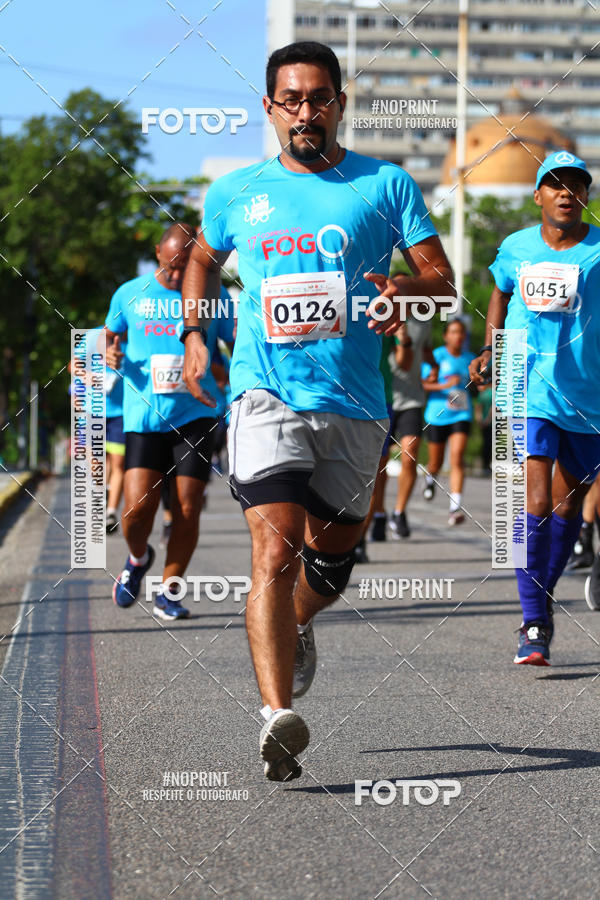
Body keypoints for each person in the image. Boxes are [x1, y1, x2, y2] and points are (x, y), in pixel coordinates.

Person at [180, 41, 454, 781]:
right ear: (269, 108)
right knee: (273, 551)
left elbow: (442, 278)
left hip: (357, 404)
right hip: (264, 393)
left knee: (331, 562)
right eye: (292, 99)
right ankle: (277, 717)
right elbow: (203, 258)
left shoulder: (386, 184)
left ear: (340, 102)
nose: (307, 111)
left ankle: (297, 624)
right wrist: (196, 332)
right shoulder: (237, 191)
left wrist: (406, 291)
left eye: (320, 98)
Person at [470, 150, 600, 664]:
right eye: (556, 185)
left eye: (577, 186)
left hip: (588, 395)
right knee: (537, 501)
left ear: (585, 196)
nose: (567, 193)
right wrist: (490, 347)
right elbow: (499, 294)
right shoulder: (515, 246)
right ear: (539, 196)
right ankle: (531, 622)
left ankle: (539, 608)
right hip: (524, 386)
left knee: (568, 507)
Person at [106, 222, 235, 620]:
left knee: (186, 507)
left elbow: (236, 346)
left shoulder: (215, 297)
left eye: (187, 266)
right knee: (136, 508)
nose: (179, 275)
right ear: (158, 250)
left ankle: (169, 591)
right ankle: (138, 557)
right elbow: (109, 336)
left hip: (197, 416)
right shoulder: (130, 294)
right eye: (173, 266)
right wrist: (110, 353)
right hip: (144, 417)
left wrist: (223, 370)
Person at [387, 317, 438, 538]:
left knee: (409, 456)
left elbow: (425, 350)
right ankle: (377, 513)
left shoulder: (422, 322)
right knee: (376, 466)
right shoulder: (371, 314)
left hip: (412, 399)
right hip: (381, 398)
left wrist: (433, 365)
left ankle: (399, 512)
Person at [422, 319, 474, 525]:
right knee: (435, 461)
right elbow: (424, 384)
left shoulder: (470, 358)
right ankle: (429, 478)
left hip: (461, 413)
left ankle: (455, 507)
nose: (458, 336)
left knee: (457, 457)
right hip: (437, 415)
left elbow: (478, 385)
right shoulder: (436, 356)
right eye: (453, 332)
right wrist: (445, 384)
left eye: (461, 332)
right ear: (446, 336)